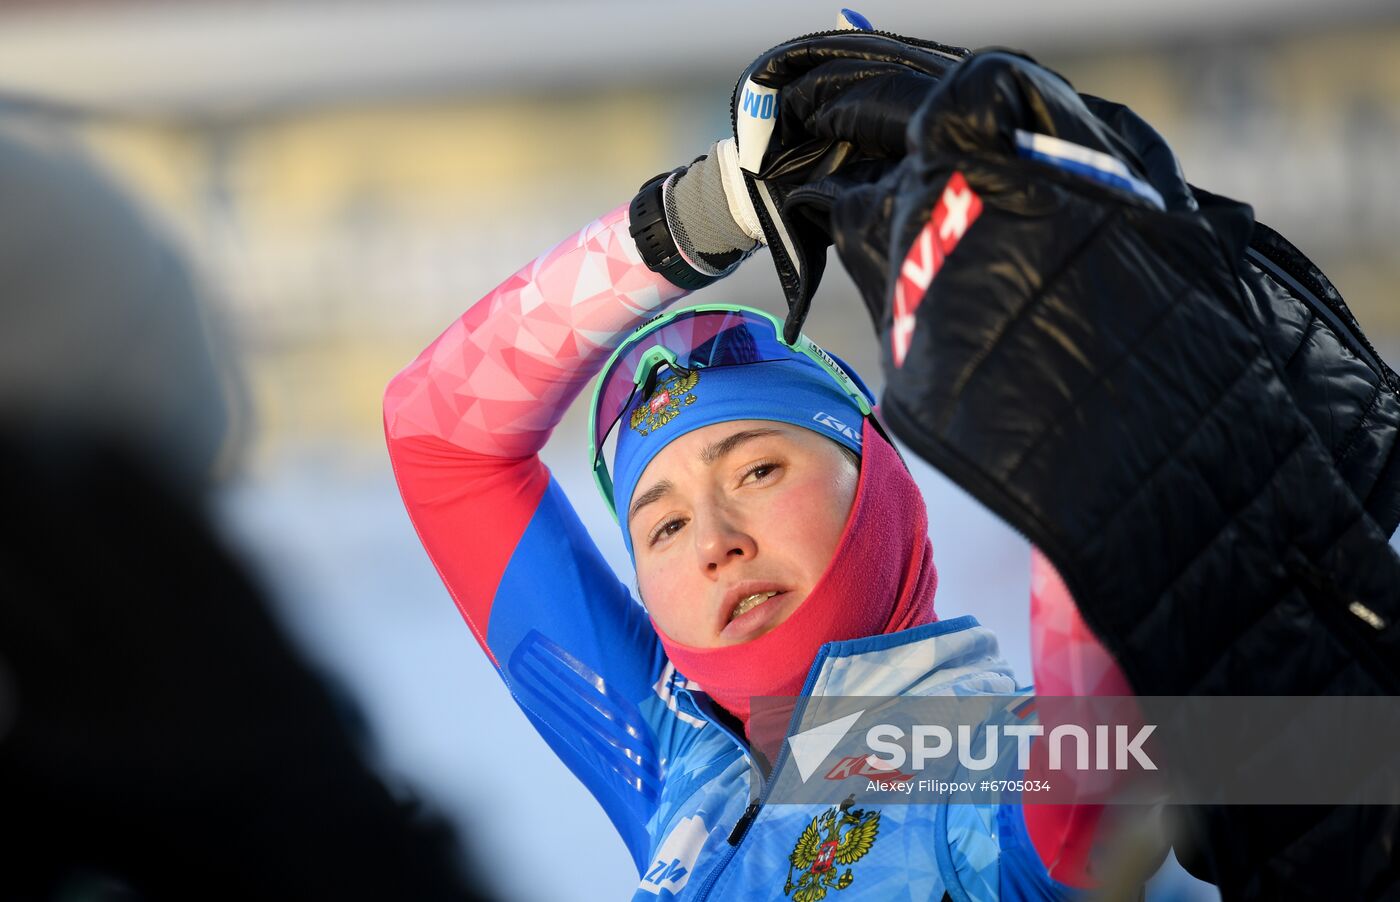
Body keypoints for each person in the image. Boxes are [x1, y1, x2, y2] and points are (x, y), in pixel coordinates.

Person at [382, 26, 1134, 899]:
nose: (714, 542)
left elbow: (1088, 808)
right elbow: (441, 434)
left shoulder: (987, 759)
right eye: (661, 523)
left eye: (757, 472)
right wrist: (700, 215)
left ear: (879, 484)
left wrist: (1084, 379)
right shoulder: (679, 762)